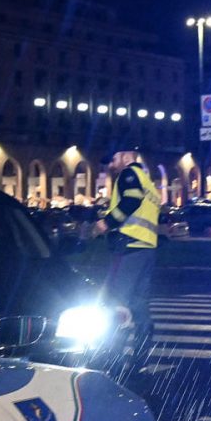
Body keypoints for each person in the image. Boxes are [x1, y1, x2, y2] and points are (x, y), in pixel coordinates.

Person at [94, 147, 162, 344]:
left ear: (125, 157)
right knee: (139, 302)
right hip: (147, 247)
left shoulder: (128, 174)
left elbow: (131, 200)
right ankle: (142, 352)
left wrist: (107, 223)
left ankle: (112, 351)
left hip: (129, 246)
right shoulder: (146, 180)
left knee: (116, 301)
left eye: (113, 160)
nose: (111, 166)